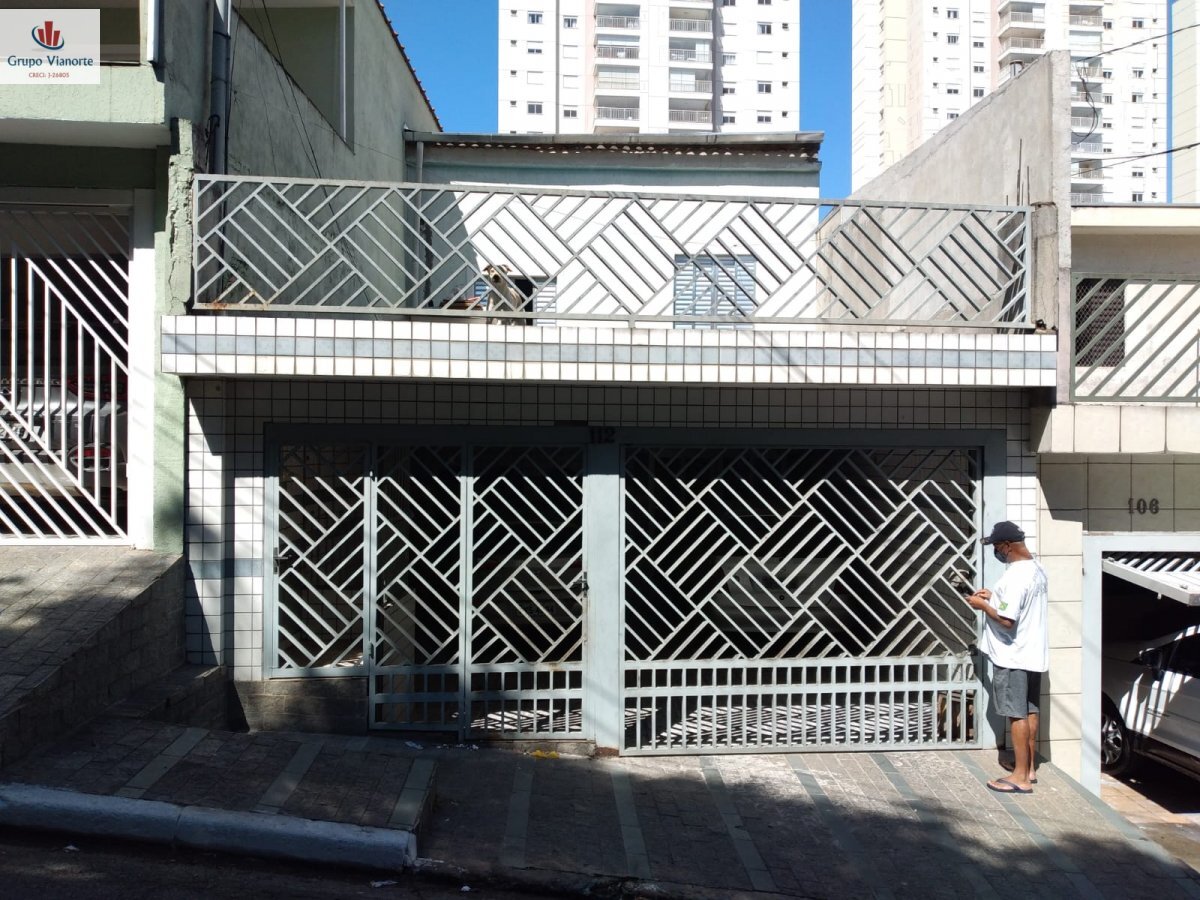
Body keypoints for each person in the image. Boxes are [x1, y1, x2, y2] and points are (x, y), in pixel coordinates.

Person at [964, 521, 1049, 795]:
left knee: (1015, 715)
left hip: (1013, 656)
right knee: (1030, 710)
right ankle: (1030, 768)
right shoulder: (1037, 570)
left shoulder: (1015, 577)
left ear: (1008, 546)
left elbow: (1006, 620)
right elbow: (1017, 605)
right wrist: (995, 597)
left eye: (997, 546)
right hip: (1032, 653)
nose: (997, 551)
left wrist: (982, 605)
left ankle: (1020, 777)